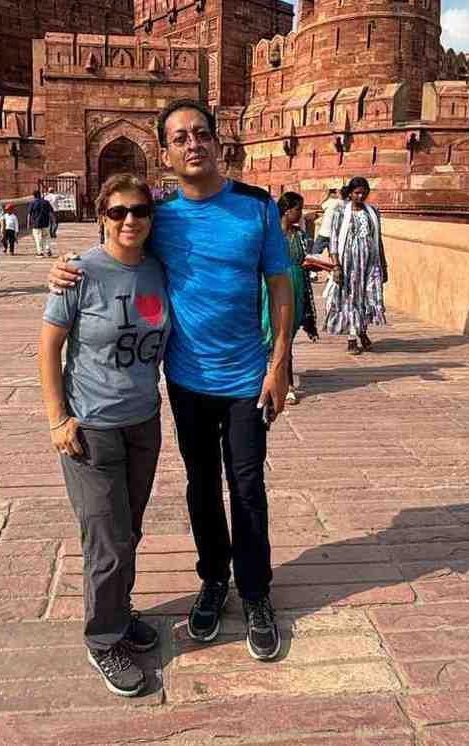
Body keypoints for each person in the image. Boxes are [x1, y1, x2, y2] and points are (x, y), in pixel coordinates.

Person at [51, 99, 293, 662]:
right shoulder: (162, 219)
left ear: (218, 141)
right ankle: (213, 580)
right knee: (202, 487)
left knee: (249, 487)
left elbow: (280, 285)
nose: (193, 144)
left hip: (246, 378)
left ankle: (255, 592)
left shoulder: (255, 208)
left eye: (201, 133)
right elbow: (116, 245)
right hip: (185, 380)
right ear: (165, 152)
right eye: (180, 137)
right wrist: (64, 267)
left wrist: (281, 362)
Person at [39, 173, 171, 698]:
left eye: (138, 211)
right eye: (118, 212)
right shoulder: (79, 273)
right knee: (108, 538)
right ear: (101, 217)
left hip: (143, 420)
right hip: (91, 427)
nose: (129, 220)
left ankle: (118, 609)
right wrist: (56, 418)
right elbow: (48, 347)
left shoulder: (161, 271)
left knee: (128, 529)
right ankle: (103, 640)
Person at [261, 192, 318, 405]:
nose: (301, 214)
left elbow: (302, 259)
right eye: (298, 209)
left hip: (295, 287)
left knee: (287, 336)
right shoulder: (269, 234)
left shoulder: (299, 235)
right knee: (269, 333)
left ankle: (286, 381)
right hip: (271, 287)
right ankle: (274, 380)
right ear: (287, 210)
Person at [324, 176, 389, 354]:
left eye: (363, 193)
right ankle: (352, 337)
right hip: (349, 263)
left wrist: (383, 264)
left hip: (370, 261)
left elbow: (378, 238)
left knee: (368, 296)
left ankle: (363, 331)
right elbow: (334, 241)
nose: (360, 196)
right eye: (357, 193)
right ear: (350, 194)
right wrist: (336, 266)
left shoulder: (372, 212)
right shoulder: (340, 212)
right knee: (350, 298)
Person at [312, 188, 344, 256]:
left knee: (314, 254)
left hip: (324, 233)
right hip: (336, 235)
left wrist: (327, 195)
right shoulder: (347, 204)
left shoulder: (332, 201)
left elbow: (321, 205)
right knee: (334, 256)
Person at [29, 189, 54, 257]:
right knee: (46, 237)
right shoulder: (46, 202)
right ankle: (48, 249)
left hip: (36, 223)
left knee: (38, 238)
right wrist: (53, 221)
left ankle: (40, 252)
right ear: (40, 194)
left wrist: (28, 224)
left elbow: (30, 214)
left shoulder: (33, 203)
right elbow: (51, 212)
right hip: (46, 222)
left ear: (34, 196)